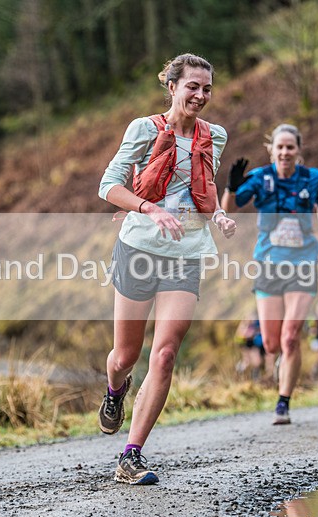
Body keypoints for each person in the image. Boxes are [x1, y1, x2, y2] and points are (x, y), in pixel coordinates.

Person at [97, 53, 236, 485]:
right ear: (172, 86)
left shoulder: (215, 135)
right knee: (126, 355)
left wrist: (218, 216)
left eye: (207, 88)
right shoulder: (144, 129)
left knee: (166, 352)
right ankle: (115, 390)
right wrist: (149, 210)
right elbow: (109, 186)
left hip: (187, 251)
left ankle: (131, 455)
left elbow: (202, 189)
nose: (201, 95)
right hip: (138, 246)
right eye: (192, 86)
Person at [221, 123, 318, 425]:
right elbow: (228, 209)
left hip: (303, 263)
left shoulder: (313, 177)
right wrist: (230, 187)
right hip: (269, 265)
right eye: (279, 147)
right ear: (271, 149)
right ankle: (282, 362)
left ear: (298, 150)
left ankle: (283, 402)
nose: (285, 152)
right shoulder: (261, 177)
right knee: (271, 344)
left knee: (291, 336)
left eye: (290, 147)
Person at [235, 312, 266, 380]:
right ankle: (240, 371)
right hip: (247, 344)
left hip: (253, 344)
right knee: (249, 361)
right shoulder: (244, 325)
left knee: (256, 361)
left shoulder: (254, 324)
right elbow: (240, 335)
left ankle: (254, 376)